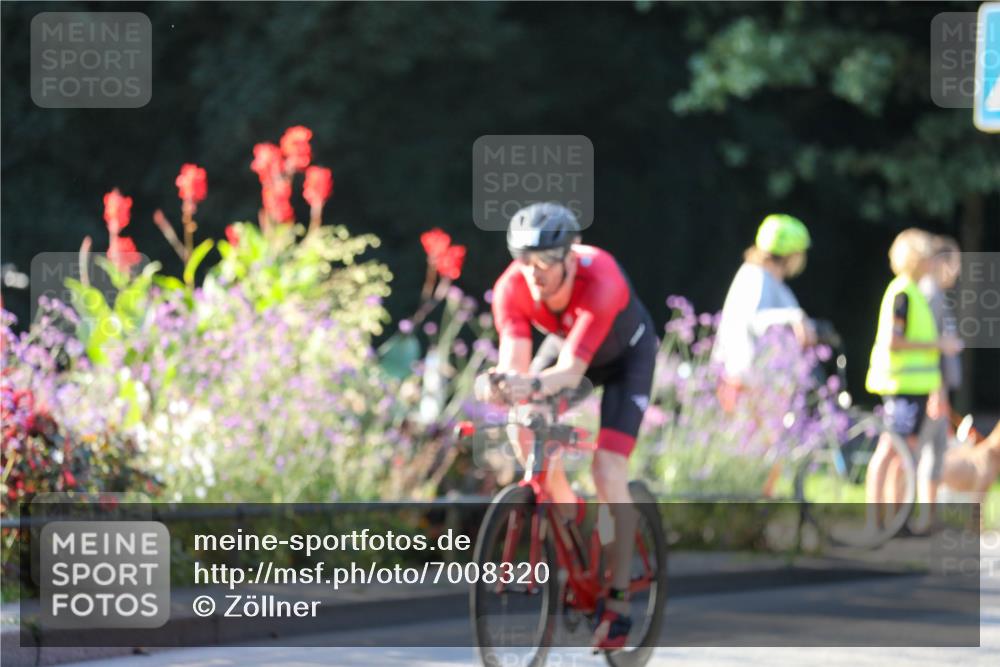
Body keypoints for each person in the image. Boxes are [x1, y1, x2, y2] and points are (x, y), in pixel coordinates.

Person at [474, 202, 656, 650]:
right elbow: (514, 364)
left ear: (570, 256)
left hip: (623, 360)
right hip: (568, 354)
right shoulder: (510, 289)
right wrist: (497, 385)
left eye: (546, 263)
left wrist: (528, 384)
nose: (534, 273)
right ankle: (565, 510)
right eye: (524, 261)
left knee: (608, 469)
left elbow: (572, 372)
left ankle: (617, 601)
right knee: (524, 424)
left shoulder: (602, 278)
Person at [864, 229, 963, 529]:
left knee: (903, 455)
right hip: (900, 386)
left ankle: (896, 521)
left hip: (916, 388)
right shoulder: (903, 294)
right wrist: (938, 345)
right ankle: (875, 521)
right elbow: (896, 341)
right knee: (889, 452)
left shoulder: (915, 292)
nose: (934, 263)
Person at [711, 214, 815, 413]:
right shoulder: (755, 276)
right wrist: (795, 317)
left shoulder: (770, 281)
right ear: (791, 254)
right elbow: (756, 319)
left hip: (760, 386)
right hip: (744, 385)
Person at [915, 235, 963, 529]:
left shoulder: (935, 295)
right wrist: (937, 391)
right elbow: (930, 347)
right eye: (955, 263)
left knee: (933, 453)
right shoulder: (929, 295)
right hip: (930, 387)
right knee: (925, 453)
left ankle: (927, 517)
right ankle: (920, 518)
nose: (956, 271)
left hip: (934, 386)